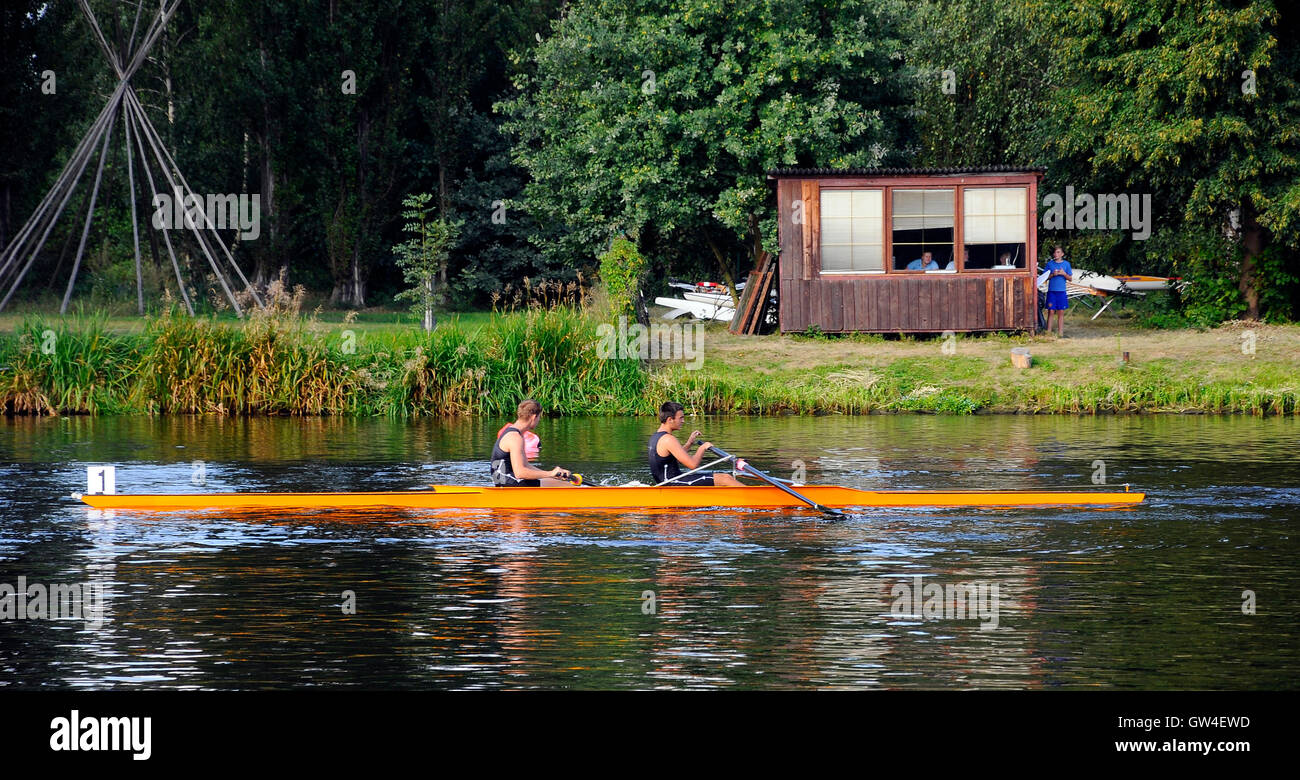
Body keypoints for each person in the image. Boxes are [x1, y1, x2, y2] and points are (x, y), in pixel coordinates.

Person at [648, 402, 742, 486]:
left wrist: (689, 443)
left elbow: (673, 458)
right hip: (673, 484)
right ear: (670, 420)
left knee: (723, 478)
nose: (683, 421)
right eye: (681, 418)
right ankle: (753, 497)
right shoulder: (669, 439)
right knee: (725, 478)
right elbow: (693, 465)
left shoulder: (656, 436)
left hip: (669, 482)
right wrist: (702, 448)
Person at [489, 399, 577, 487]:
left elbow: (526, 466)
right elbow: (520, 473)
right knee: (564, 485)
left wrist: (554, 475)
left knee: (555, 481)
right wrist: (550, 474)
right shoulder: (515, 438)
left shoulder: (515, 433)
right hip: (505, 481)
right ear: (534, 417)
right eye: (539, 417)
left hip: (505, 479)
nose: (539, 420)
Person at [1043, 245, 1073, 337]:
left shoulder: (1066, 264)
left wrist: (1064, 274)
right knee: (1051, 311)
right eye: (1055, 252)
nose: (1056, 254)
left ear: (1062, 254)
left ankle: (1060, 333)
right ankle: (1048, 332)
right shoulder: (1050, 264)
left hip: (1061, 291)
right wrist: (1053, 274)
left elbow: (1070, 278)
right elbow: (1044, 278)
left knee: (1061, 312)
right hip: (1052, 291)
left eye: (1058, 252)